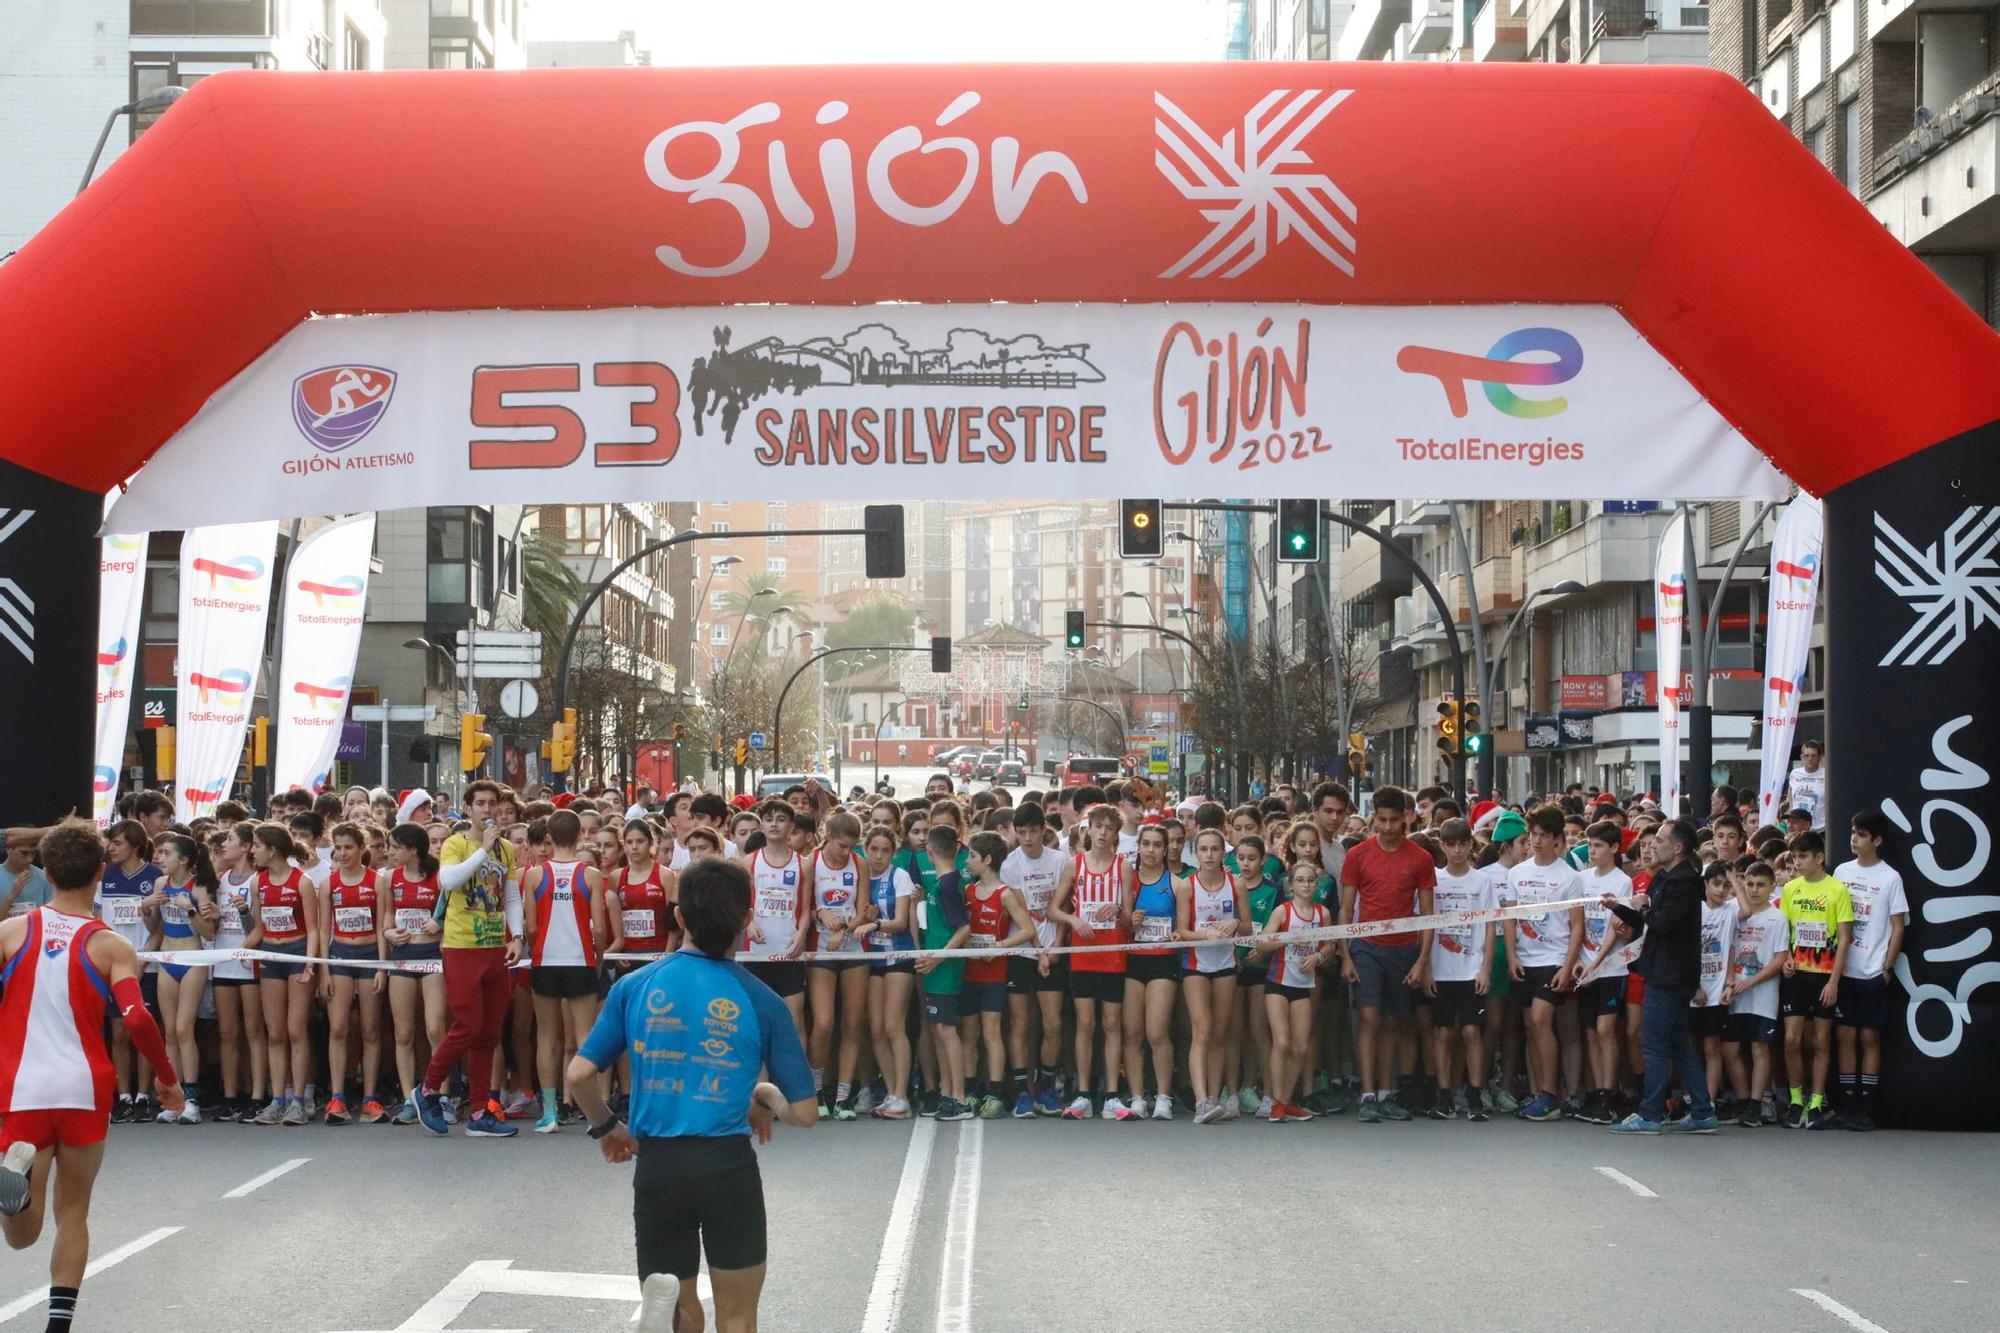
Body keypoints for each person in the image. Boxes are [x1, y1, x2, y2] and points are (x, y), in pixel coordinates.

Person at [568, 856, 816, 1333]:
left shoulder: (634, 986)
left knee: (679, 1304)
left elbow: (579, 1075)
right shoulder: (763, 1000)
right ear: (747, 920)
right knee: (739, 1315)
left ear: (679, 917)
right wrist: (763, 1094)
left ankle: (670, 1315)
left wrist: (607, 1127)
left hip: (659, 1166)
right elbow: (804, 1113)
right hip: (727, 1166)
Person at [0, 822, 184, 1333]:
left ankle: (12, 1188)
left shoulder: (12, 932)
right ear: (100, 873)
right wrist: (167, 1080)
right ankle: (58, 1325)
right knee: (74, 1211)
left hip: (21, 1086)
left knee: (20, 1235)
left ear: (47, 872)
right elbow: (138, 1018)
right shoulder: (109, 945)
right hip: (84, 1086)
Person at [415, 780, 518, 1139]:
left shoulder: (506, 849)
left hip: (495, 946)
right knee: (468, 1024)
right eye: (481, 804)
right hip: (461, 947)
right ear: (469, 808)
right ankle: (427, 1089)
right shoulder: (457, 844)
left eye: (493, 804)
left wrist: (516, 936)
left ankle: (478, 1111)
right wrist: (482, 850)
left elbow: (511, 896)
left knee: (489, 1033)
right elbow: (449, 880)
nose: (488, 810)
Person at [1607, 820, 1721, 1134]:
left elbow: (1663, 922)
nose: (1652, 845)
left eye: (1659, 839)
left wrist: (1643, 909)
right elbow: (1649, 922)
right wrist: (1619, 907)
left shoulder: (1682, 882)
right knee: (1678, 1044)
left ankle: (1651, 1113)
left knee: (1654, 1044)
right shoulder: (1666, 879)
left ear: (1678, 847)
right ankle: (1701, 1111)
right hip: (1665, 969)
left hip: (1670, 975)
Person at [1338, 787, 1436, 1124]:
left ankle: (1387, 1091)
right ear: (1374, 819)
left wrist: (1422, 960)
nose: (1389, 827)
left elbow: (1427, 914)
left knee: (1394, 1022)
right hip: (1366, 947)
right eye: (1382, 820)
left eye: (1395, 820)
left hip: (1404, 948)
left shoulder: (1421, 858)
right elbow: (1347, 909)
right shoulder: (1359, 855)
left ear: (1406, 817)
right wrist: (1347, 955)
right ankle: (1367, 1094)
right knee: (1368, 1018)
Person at [522, 810, 608, 1134]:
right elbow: (599, 927)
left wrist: (536, 949)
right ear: (580, 836)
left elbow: (530, 927)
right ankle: (593, 1112)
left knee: (548, 1037)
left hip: (546, 959)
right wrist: (598, 958)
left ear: (549, 838)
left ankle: (549, 1112)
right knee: (586, 1037)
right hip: (580, 959)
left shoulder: (533, 875)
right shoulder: (591, 875)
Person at [1502, 804, 1584, 1123]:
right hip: (1524, 958)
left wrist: (1568, 965)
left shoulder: (1570, 877)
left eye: (1543, 836)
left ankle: (1551, 1095)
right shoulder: (1517, 873)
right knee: (1530, 1026)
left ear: (1557, 840)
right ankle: (1540, 1092)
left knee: (1540, 1020)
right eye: (1532, 835)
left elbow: (1577, 925)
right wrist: (1511, 955)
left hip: (1553, 958)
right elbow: (1509, 918)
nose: (1536, 841)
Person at [1050, 805, 1133, 1120]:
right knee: (1085, 1023)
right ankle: (1083, 1092)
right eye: (1097, 827)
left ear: (1115, 834)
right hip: (1083, 953)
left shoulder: (1122, 867)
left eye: (1109, 828)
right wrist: (1073, 920)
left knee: (1112, 1023)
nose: (1102, 833)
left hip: (1112, 952)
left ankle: (1112, 1093)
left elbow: (1129, 918)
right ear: (1088, 830)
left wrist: (1117, 911)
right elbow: (1053, 909)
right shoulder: (1075, 865)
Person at [1830, 810, 1908, 1131]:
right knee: (1845, 1036)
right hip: (1842, 971)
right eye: (1852, 831)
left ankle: (1866, 1108)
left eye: (1861, 834)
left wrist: (1886, 968)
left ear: (1876, 840)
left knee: (1869, 1038)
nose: (1854, 838)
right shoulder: (1841, 871)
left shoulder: (1890, 877)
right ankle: (1847, 1106)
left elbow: (1898, 926)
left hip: (1872, 971)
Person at [1777, 830, 1853, 1129]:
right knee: (1792, 1040)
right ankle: (1796, 1100)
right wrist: (1786, 959)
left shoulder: (1837, 890)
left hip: (1825, 976)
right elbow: (1783, 932)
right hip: (1797, 976)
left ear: (1819, 857)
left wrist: (1834, 982)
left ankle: (1817, 1101)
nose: (1797, 862)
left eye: (1803, 856)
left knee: (1820, 1041)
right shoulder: (1790, 889)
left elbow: (1845, 939)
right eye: (1794, 856)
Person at [379, 822, 453, 1127]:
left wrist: (441, 924)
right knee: (404, 1033)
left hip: (433, 956)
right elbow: (386, 914)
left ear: (412, 849)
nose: (390, 852)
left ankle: (442, 1096)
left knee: (436, 1029)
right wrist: (388, 933)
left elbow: (453, 914)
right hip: (403, 958)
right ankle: (411, 1098)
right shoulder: (390, 878)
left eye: (395, 847)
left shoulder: (440, 877)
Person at [247, 823, 321, 1126]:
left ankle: (299, 1100)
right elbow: (259, 929)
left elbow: (314, 928)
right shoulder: (258, 882)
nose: (252, 850)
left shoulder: (301, 882)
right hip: (270, 956)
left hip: (297, 954)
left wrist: (310, 964)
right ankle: (277, 1099)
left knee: (295, 1030)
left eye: (256, 845)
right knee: (274, 1032)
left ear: (272, 849)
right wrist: (240, 950)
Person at [958, 832, 1035, 1120]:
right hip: (969, 972)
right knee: (969, 1034)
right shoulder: (967, 891)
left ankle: (995, 1092)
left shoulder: (1003, 893)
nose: (967, 861)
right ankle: (969, 1089)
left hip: (994, 973)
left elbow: (1027, 930)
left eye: (972, 856)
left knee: (991, 1033)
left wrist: (999, 946)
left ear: (987, 860)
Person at [144, 833, 217, 1124]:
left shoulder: (198, 887)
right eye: (159, 853)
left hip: (192, 960)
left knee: (185, 1029)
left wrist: (189, 908)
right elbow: (154, 926)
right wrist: (147, 906)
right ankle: (173, 1098)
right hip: (167, 959)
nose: (160, 858)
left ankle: (192, 1099)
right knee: (170, 1032)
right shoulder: (160, 884)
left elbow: (209, 932)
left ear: (183, 860)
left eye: (166, 853)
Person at [1426, 819, 1496, 1122]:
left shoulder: (1482, 882)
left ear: (1470, 845)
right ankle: (1443, 1093)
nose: (1456, 850)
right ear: (1442, 846)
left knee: (1472, 1031)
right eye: (1450, 844)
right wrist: (1425, 967)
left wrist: (1486, 969)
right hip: (1441, 969)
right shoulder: (1433, 880)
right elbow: (1423, 925)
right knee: (1443, 1032)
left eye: (1461, 843)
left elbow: (1491, 927)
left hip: (1471, 969)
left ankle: (1475, 1092)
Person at [1000, 802, 1066, 1117]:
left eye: (1033, 831)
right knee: (1021, 1023)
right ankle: (1023, 1092)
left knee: (1053, 1024)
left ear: (1043, 830)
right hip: (1023, 952)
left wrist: (1056, 949)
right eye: (1021, 832)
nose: (1027, 838)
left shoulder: (1060, 861)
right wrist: (1039, 950)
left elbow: (1061, 908)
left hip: (1054, 952)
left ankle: (1046, 1088)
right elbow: (1023, 914)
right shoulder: (1011, 865)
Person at [94, 821, 163, 1124]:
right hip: (112, 967)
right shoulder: (104, 876)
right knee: (119, 1032)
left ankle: (144, 1096)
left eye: (118, 843)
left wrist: (142, 964)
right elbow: (96, 921)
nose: (111, 848)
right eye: (110, 842)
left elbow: (159, 929)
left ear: (135, 845)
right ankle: (123, 1097)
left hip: (145, 966)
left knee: (143, 1031)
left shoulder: (155, 877)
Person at [1178, 827, 1247, 1123]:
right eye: (1203, 849)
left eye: (1214, 849)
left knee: (1220, 1030)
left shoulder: (1237, 884)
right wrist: (1202, 933)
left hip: (1225, 963)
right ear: (1195, 853)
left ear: (1223, 853)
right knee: (1202, 1028)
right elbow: (1182, 931)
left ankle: (1215, 1098)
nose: (1209, 855)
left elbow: (1246, 928)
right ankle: (1201, 1100)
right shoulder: (1187, 886)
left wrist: (1235, 924)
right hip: (1196, 963)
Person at [1253, 862, 1331, 1123]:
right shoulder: (1282, 911)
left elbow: (1331, 944)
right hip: (1278, 982)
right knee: (1282, 1042)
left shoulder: (1323, 913)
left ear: (1316, 884)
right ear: (1291, 885)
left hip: (1303, 984)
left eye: (1310, 880)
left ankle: (1285, 1100)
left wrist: (1319, 955)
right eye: (1300, 880)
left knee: (1300, 1046)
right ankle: (1275, 1101)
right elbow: (1262, 942)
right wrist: (1287, 939)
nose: (1306, 885)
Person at [320, 822, 387, 1125]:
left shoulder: (376, 881)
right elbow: (323, 929)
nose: (343, 853)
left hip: (370, 956)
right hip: (341, 956)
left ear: (362, 849)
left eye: (349, 847)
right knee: (338, 1028)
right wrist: (324, 969)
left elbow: (383, 926)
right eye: (339, 848)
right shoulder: (328, 884)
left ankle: (370, 1099)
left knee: (370, 1030)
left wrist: (382, 968)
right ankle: (337, 1097)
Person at [804, 812, 870, 1120]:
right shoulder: (812, 862)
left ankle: (844, 1094)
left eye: (852, 846)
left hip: (852, 948)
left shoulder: (859, 864)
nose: (847, 852)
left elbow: (863, 911)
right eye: (842, 846)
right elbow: (803, 905)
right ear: (827, 836)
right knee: (824, 1023)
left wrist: (843, 929)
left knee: (853, 1024)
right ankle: (816, 1088)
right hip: (821, 950)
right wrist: (820, 915)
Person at [1570, 820, 1636, 1125]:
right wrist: (1579, 961)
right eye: (1590, 845)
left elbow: (1616, 927)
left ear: (1613, 848)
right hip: (1584, 965)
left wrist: (1596, 962)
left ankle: (1609, 1093)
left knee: (1606, 1030)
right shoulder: (1581, 879)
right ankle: (1597, 1091)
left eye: (1598, 846)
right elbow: (1578, 922)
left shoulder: (1623, 881)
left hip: (1611, 967)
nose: (1592, 851)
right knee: (1590, 1032)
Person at [1121, 824, 1182, 1120]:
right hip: (1133, 960)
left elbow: (1183, 928)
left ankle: (1163, 1096)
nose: (1151, 850)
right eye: (1146, 844)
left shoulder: (1176, 883)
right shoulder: (1128, 880)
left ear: (1166, 848)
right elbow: (1121, 922)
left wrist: (1176, 934)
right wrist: (1130, 920)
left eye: (1158, 845)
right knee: (1132, 1033)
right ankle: (1136, 1097)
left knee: (1156, 1032)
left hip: (1163, 961)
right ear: (1139, 847)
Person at [913, 825, 974, 1122]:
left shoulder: (949, 884)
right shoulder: (938, 884)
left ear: (929, 851)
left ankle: (959, 1098)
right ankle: (947, 1092)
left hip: (945, 967)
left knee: (947, 1031)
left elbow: (964, 927)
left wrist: (939, 957)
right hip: (934, 965)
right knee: (938, 1029)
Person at [1723, 861, 1788, 1128]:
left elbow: (1779, 959)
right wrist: (1729, 982)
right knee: (1729, 1050)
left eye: (1761, 885)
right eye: (1749, 884)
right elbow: (1728, 948)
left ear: (1772, 886)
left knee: (1760, 1049)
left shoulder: (1777, 918)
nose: (1754, 890)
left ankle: (1755, 1104)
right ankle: (1742, 1100)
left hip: (1762, 994)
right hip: (1734, 992)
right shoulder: (1734, 913)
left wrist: (1750, 983)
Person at [857, 827, 916, 1120]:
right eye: (874, 849)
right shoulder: (861, 876)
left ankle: (902, 1095)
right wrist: (863, 919)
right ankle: (891, 1092)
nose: (878, 856)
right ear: (866, 848)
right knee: (876, 1029)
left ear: (893, 852)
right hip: (871, 959)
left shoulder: (899, 876)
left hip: (898, 956)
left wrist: (876, 924)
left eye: (885, 850)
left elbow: (902, 921)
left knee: (894, 1026)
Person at [738, 801, 809, 1040]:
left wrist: (801, 934)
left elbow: (807, 909)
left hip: (789, 952)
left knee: (794, 1020)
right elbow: (740, 905)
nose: (774, 824)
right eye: (769, 819)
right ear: (762, 825)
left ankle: (799, 1076)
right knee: (758, 1020)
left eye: (781, 819)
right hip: (757, 952)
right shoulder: (749, 862)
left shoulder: (804, 865)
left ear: (791, 826)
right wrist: (748, 924)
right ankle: (760, 1077)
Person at [1693, 862, 1740, 1116]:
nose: (1722, 890)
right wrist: (1694, 986)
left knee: (1712, 1047)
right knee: (1689, 1046)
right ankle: (1691, 1098)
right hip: (1693, 990)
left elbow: (1731, 948)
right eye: (1717, 884)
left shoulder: (1730, 911)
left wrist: (1730, 982)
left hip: (1717, 990)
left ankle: (1708, 1102)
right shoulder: (1695, 909)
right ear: (1706, 884)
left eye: (1727, 885)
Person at [1784, 739, 1828, 831]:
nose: (1810, 759)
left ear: (1820, 757)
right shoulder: (1794, 774)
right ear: (1801, 757)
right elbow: (1791, 798)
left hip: (1820, 828)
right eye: (1807, 756)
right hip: (1798, 828)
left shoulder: (1827, 775)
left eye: (1813, 756)